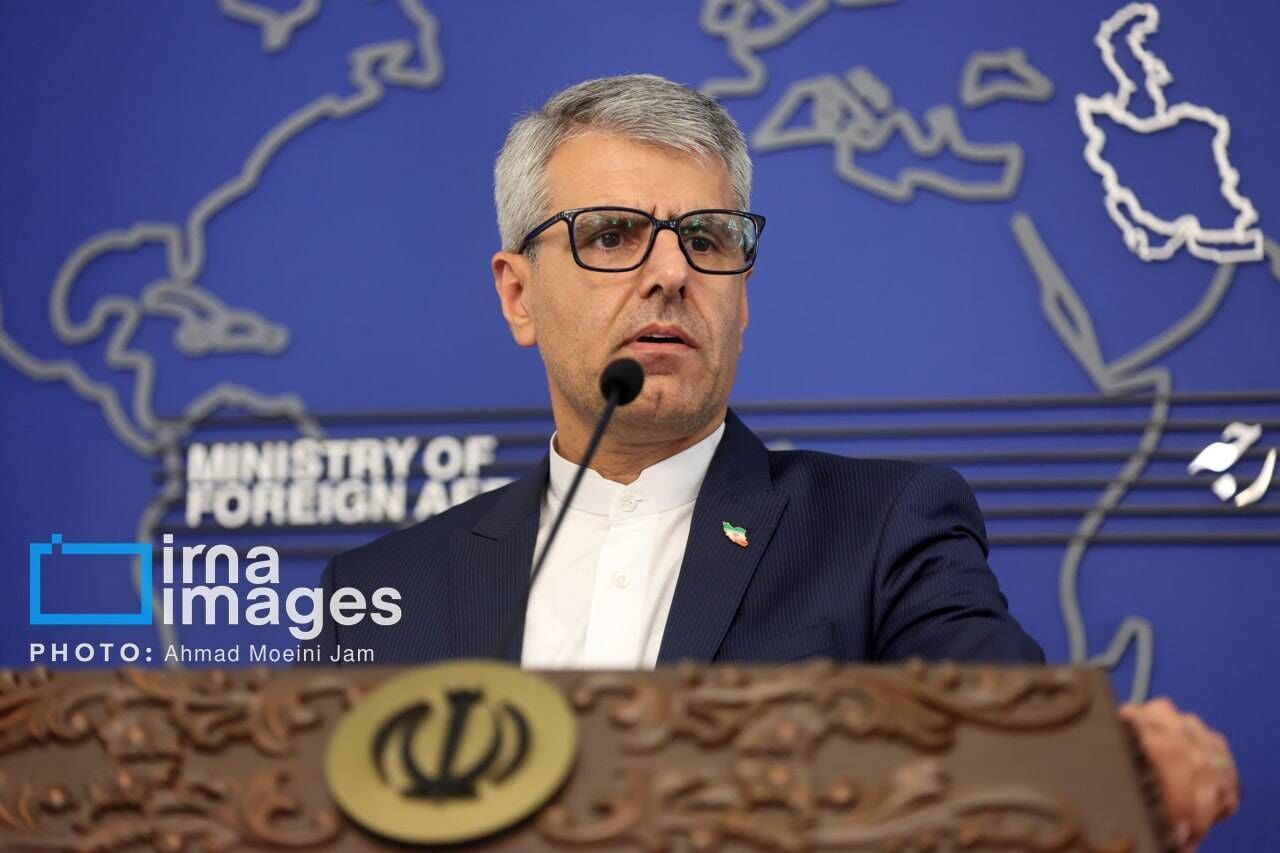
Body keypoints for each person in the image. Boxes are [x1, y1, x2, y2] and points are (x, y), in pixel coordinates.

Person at [316, 74, 1237, 847]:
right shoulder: (384, 588)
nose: (671, 272)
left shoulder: (882, 530)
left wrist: (1101, 755)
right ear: (518, 295)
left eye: (707, 238)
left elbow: (1010, 735)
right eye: (612, 234)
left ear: (742, 295)